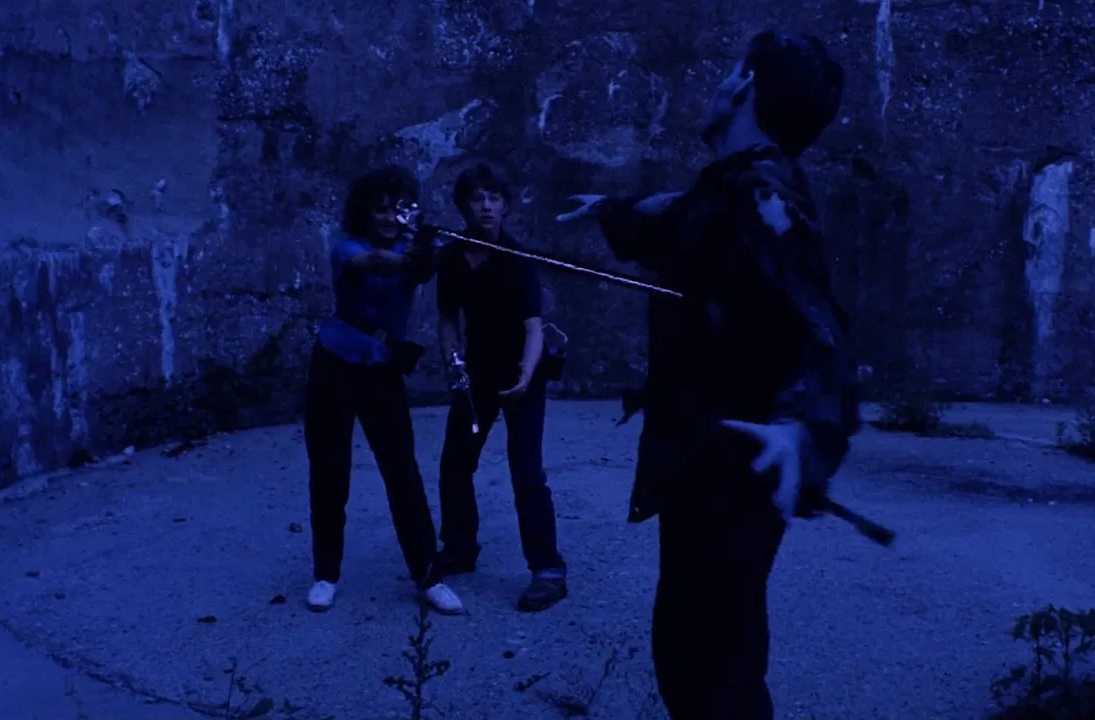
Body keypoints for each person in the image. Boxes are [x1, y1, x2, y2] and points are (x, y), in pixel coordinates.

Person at [556, 32, 861, 718]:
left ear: (743, 85)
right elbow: (678, 220)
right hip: (704, 463)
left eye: (727, 71)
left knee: (712, 673)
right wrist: (610, 210)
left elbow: (822, 331)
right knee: (694, 656)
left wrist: (804, 432)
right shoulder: (733, 189)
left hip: (735, 473)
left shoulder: (762, 196)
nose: (718, 82)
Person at [303, 165, 463, 615]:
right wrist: (422, 250)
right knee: (330, 471)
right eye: (382, 209)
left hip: (381, 370)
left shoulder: (411, 251)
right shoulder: (347, 248)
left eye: (399, 210)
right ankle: (326, 574)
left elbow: (423, 269)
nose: (390, 217)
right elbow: (375, 264)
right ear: (365, 212)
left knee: (402, 472)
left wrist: (428, 249)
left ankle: (428, 576)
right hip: (334, 365)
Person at [433, 162, 568, 613]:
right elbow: (448, 318)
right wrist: (453, 365)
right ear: (463, 206)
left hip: (522, 373)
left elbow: (533, 328)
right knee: (456, 463)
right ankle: (460, 548)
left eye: (494, 198)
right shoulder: (451, 258)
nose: (486, 206)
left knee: (526, 471)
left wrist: (526, 377)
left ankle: (548, 570)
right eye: (477, 198)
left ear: (505, 207)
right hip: (477, 372)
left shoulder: (518, 260)